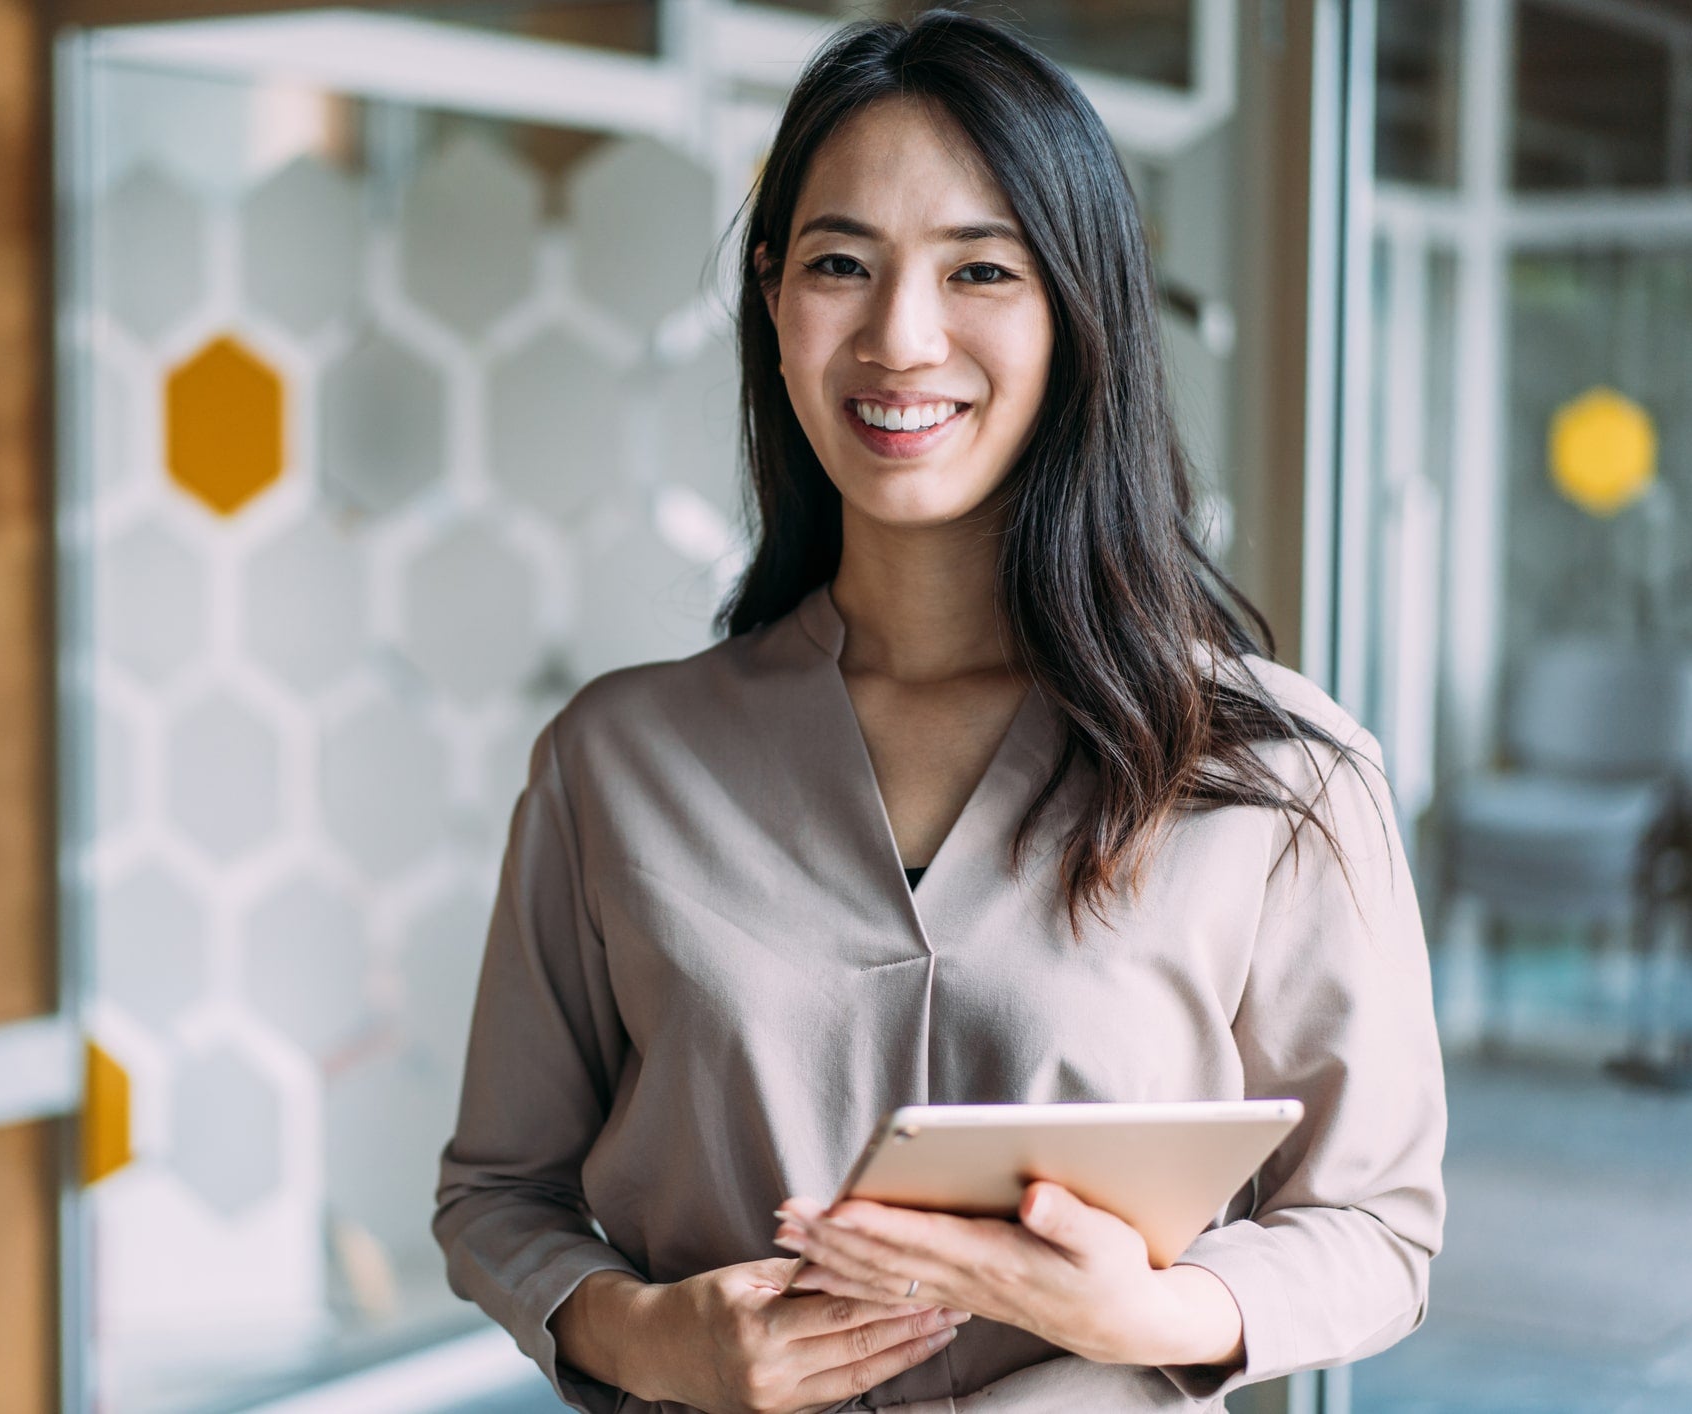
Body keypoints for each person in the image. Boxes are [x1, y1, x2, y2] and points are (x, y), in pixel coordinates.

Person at [431, 10, 1446, 1412]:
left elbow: (1380, 1228)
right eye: (841, 263)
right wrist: (639, 1332)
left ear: (1077, 312)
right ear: (774, 301)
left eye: (980, 268)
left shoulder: (1276, 769)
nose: (900, 337)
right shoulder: (615, 761)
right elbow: (496, 1193)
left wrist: (1160, 1306)